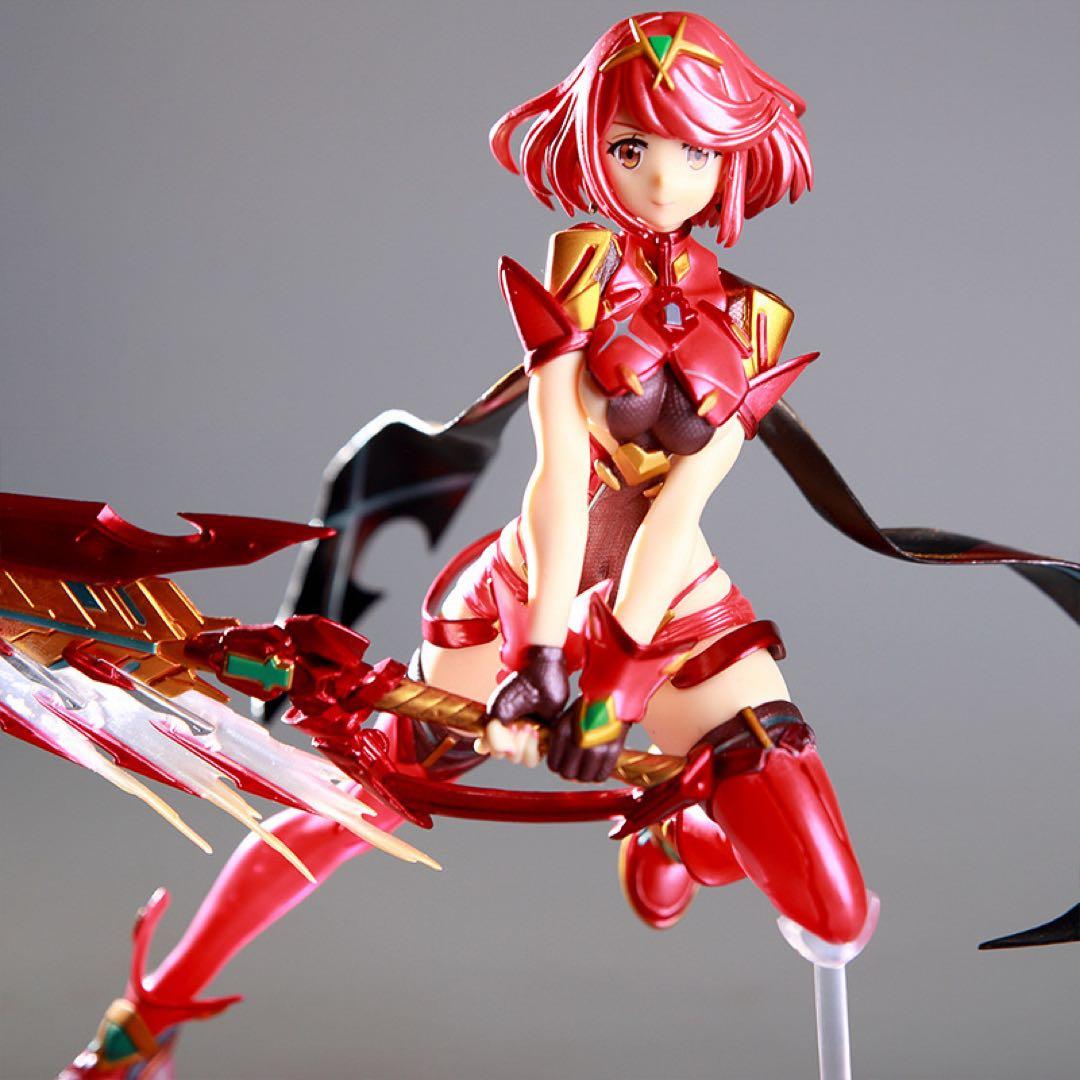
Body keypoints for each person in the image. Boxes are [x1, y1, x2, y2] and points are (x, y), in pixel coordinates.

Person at [62, 13, 878, 1076]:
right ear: (594, 144)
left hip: (675, 606)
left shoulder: (757, 321)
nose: (662, 177)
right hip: (524, 589)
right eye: (632, 145)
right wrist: (539, 661)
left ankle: (674, 826)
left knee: (834, 909)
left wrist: (612, 692)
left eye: (694, 149)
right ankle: (148, 1019)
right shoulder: (581, 267)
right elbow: (559, 475)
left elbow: (678, 512)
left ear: (733, 152)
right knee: (356, 799)